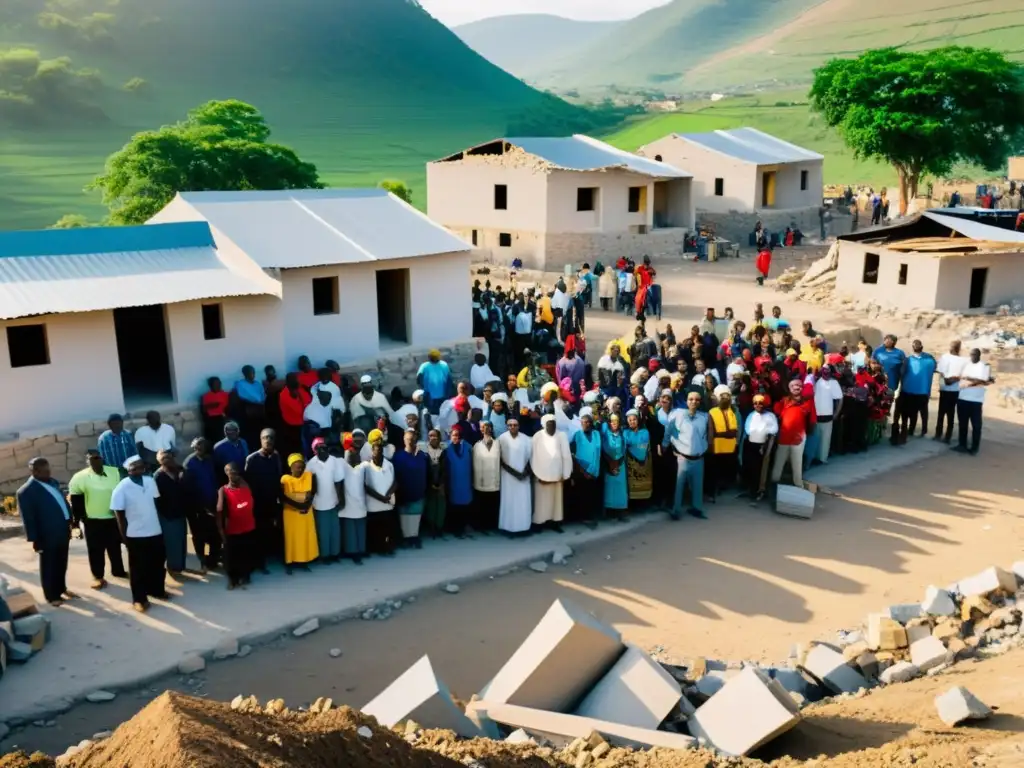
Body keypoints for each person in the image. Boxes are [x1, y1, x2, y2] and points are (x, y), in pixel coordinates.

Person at [111, 456, 168, 613]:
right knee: (138, 569)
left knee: (157, 564)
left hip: (155, 530)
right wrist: (124, 536)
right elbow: (119, 515)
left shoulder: (150, 481)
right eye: (133, 467)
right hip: (135, 534)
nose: (137, 469)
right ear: (128, 470)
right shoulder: (121, 488)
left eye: (140, 466)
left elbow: (156, 503)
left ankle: (157, 590)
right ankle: (139, 599)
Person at [18, 457, 77, 606]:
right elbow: (29, 519)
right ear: (35, 472)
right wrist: (35, 540)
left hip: (62, 530)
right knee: (49, 566)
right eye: (45, 471)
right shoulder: (26, 491)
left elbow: (62, 502)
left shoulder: (53, 483)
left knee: (61, 563)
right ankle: (51, 596)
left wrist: (70, 521)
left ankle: (61, 588)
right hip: (46, 535)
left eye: (48, 469)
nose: (48, 472)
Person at [69, 449, 125, 589]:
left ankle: (118, 571)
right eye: (91, 459)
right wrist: (79, 520)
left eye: (97, 457)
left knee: (115, 546)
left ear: (102, 459)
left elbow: (123, 493)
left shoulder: (115, 472)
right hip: (92, 520)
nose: (95, 460)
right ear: (87, 461)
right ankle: (98, 576)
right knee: (95, 550)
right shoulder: (79, 477)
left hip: (113, 518)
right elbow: (76, 500)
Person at [661, 391, 708, 520]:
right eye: (691, 399)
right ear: (687, 401)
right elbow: (669, 431)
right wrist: (666, 445)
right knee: (679, 486)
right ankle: (676, 511)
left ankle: (696, 509)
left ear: (700, 402)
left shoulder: (704, 417)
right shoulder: (678, 415)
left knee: (698, 486)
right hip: (682, 458)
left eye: (697, 400)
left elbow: (707, 436)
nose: (694, 402)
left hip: (698, 458)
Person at [244, 429, 282, 573]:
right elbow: (246, 483)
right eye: (265, 438)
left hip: (271, 501)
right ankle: (259, 563)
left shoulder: (276, 457)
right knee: (257, 533)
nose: (268, 440)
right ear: (260, 440)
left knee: (269, 531)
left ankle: (268, 558)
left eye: (271, 438)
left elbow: (278, 478)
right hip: (257, 503)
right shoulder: (252, 459)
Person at [216, 463, 258, 590]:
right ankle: (232, 579)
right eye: (230, 471)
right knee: (231, 556)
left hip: (248, 528)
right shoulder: (223, 490)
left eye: (236, 471)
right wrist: (221, 531)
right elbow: (219, 512)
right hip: (233, 530)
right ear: (226, 473)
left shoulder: (246, 486)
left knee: (246, 553)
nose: (234, 474)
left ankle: (245, 576)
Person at [183, 437, 221, 572]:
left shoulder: (210, 460)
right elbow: (188, 488)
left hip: (211, 503)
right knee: (199, 535)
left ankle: (213, 560)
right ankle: (201, 560)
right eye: (197, 447)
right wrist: (200, 506)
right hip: (197, 508)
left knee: (214, 535)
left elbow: (214, 480)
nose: (199, 449)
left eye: (202, 446)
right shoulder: (189, 463)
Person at [531, 414, 572, 532]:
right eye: (549, 424)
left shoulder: (561, 435)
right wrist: (538, 474)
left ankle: (555, 523)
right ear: (544, 425)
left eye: (553, 424)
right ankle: (539, 523)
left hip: (557, 475)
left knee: (556, 501)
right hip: (541, 475)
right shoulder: (537, 436)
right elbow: (533, 456)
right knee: (541, 501)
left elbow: (566, 455)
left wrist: (565, 473)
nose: (551, 427)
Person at [772, 379, 816, 488]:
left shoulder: (808, 401)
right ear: (789, 389)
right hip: (784, 437)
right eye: (793, 386)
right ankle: (773, 484)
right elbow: (776, 411)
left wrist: (808, 432)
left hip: (799, 438)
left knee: (797, 463)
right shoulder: (784, 401)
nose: (796, 387)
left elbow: (812, 420)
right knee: (779, 462)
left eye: (799, 385)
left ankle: (798, 485)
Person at [307, 437, 344, 563]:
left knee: (335, 530)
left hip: (333, 501)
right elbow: (308, 484)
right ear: (314, 450)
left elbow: (338, 481)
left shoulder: (334, 461)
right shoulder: (310, 464)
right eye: (319, 448)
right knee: (323, 531)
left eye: (324, 447)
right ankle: (325, 555)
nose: (322, 449)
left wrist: (340, 498)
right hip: (319, 503)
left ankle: (335, 554)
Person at [280, 453, 318, 573]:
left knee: (304, 538)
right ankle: (289, 563)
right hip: (290, 515)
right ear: (291, 467)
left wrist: (304, 502)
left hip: (305, 513)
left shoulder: (308, 476)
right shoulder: (285, 479)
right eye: (297, 466)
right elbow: (284, 498)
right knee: (291, 539)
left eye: (302, 466)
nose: (300, 469)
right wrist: (301, 504)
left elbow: (309, 495)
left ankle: (303, 561)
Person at [153, 449, 189, 577]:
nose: (167, 460)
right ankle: (173, 568)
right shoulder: (158, 476)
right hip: (167, 515)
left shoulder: (178, 471)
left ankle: (180, 566)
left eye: (169, 457)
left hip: (180, 513)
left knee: (181, 541)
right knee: (171, 542)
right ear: (160, 462)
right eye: (164, 459)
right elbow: (156, 499)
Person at [393, 428, 430, 548]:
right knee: (405, 516)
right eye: (408, 439)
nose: (410, 441)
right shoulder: (398, 456)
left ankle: (414, 537)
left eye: (413, 438)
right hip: (403, 493)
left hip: (418, 492)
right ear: (404, 439)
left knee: (415, 516)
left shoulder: (422, 456)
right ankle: (406, 538)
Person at [953, 348, 992, 455]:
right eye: (971, 354)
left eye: (974, 354)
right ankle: (962, 445)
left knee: (976, 425)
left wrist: (969, 381)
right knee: (962, 424)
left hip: (976, 400)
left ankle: (974, 448)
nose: (972, 356)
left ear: (979, 355)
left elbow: (984, 381)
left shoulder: (984, 366)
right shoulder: (966, 365)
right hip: (963, 398)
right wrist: (973, 380)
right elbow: (961, 378)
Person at [497, 417, 532, 536]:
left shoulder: (526, 439)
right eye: (510, 425)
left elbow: (531, 457)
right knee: (509, 501)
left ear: (519, 426)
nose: (512, 427)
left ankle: (524, 527)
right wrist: (514, 473)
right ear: (507, 426)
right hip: (508, 476)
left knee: (523, 501)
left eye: (515, 425)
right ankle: (508, 528)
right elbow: (499, 459)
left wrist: (524, 473)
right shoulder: (502, 438)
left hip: (523, 476)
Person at [363, 441, 399, 555]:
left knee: (387, 528)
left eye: (380, 450)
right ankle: (376, 548)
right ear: (372, 451)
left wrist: (388, 494)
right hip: (373, 505)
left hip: (387, 503)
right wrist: (380, 498)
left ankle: (387, 547)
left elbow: (395, 482)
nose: (378, 452)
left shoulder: (389, 465)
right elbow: (366, 487)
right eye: (375, 450)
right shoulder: (367, 466)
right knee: (375, 529)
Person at [898, 340, 936, 441]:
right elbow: (935, 368)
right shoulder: (930, 360)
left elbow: (901, 372)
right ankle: (922, 430)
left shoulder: (908, 360)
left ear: (913, 347)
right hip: (922, 390)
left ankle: (911, 430)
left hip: (910, 390)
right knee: (921, 412)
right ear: (922, 347)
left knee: (912, 411)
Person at [570, 407, 602, 527]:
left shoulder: (596, 434)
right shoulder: (577, 435)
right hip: (582, 471)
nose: (587, 424)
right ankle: (583, 517)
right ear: (580, 423)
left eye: (589, 422)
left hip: (594, 470)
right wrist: (583, 471)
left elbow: (598, 451)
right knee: (583, 495)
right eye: (584, 422)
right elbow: (573, 455)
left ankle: (590, 515)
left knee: (592, 494)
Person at [741, 395, 778, 500]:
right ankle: (751, 490)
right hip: (750, 446)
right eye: (755, 403)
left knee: (762, 470)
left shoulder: (770, 416)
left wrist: (765, 447)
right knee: (751, 469)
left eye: (760, 403)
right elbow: (747, 431)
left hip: (764, 447)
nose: (758, 405)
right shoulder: (751, 415)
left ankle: (760, 491)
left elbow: (773, 431)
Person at [707, 386, 739, 501]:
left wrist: (722, 434)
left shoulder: (733, 411)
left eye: (727, 397)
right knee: (714, 471)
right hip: (716, 447)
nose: (725, 399)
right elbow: (711, 431)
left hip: (730, 448)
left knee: (724, 470)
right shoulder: (712, 412)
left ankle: (720, 488)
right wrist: (711, 444)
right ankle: (712, 493)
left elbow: (734, 432)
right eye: (722, 397)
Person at [443, 425, 473, 537]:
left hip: (465, 481)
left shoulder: (468, 447)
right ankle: (453, 528)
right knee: (453, 505)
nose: (456, 437)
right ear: (450, 436)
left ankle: (463, 526)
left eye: (458, 435)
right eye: (454, 435)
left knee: (465, 505)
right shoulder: (446, 449)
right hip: (453, 481)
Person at [934, 340, 966, 443]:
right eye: (952, 346)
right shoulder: (945, 357)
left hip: (955, 390)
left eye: (955, 346)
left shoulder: (962, 360)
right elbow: (941, 372)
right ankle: (938, 434)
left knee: (950, 414)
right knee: (941, 413)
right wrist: (947, 381)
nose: (953, 348)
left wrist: (953, 380)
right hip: (944, 389)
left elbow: (962, 375)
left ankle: (948, 436)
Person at [472, 421, 501, 533]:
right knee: (482, 504)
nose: (486, 429)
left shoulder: (498, 443)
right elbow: (474, 464)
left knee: (493, 504)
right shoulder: (477, 445)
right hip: (481, 480)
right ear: (481, 429)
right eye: (484, 427)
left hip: (494, 479)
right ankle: (482, 526)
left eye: (489, 426)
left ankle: (492, 525)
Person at [810, 365, 843, 465]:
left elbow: (840, 399)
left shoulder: (833, 382)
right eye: (824, 371)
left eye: (828, 371)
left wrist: (837, 413)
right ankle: (814, 457)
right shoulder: (816, 381)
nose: (826, 373)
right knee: (815, 438)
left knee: (825, 439)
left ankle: (822, 458)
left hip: (828, 416)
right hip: (815, 415)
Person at [341, 445, 368, 563]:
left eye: (355, 455)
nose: (352, 457)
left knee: (360, 531)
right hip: (347, 506)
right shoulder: (343, 467)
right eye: (349, 455)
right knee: (350, 532)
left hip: (360, 505)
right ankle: (352, 553)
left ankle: (360, 551)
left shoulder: (362, 467)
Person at [623, 409, 653, 508]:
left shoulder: (644, 432)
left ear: (638, 420)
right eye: (630, 420)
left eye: (634, 419)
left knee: (643, 483)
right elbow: (625, 445)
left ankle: (643, 504)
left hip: (643, 461)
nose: (632, 422)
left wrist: (635, 449)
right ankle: (633, 505)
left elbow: (644, 445)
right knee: (632, 484)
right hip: (630, 462)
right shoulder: (625, 432)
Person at [278, 374, 312, 459]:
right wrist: (303, 402)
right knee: (302, 444)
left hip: (305, 419)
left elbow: (309, 400)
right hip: (294, 425)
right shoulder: (284, 395)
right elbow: (300, 411)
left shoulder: (299, 387)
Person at [234, 365, 267, 449]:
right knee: (252, 435)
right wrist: (256, 403)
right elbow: (242, 396)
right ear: (245, 374)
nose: (252, 375)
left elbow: (262, 395)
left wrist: (262, 402)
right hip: (249, 410)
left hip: (261, 409)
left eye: (253, 372)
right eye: (250, 373)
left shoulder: (257, 384)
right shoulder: (240, 384)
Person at [422, 429, 447, 538]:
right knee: (431, 507)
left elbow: (446, 469)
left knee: (441, 507)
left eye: (435, 436)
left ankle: (439, 528)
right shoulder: (424, 452)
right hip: (429, 484)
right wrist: (430, 483)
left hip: (441, 484)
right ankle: (431, 528)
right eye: (430, 436)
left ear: (439, 437)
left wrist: (442, 483)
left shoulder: (444, 451)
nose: (432, 438)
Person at [417, 349, 452, 413]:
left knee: (431, 413)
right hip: (442, 396)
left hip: (429, 396)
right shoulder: (444, 365)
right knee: (441, 413)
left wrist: (422, 388)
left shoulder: (424, 366)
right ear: (439, 357)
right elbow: (449, 380)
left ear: (429, 357)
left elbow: (419, 379)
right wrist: (448, 394)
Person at [556, 336, 586, 401]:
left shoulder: (562, 362)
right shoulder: (580, 360)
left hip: (568, 392)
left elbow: (561, 379)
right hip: (579, 389)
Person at [201, 377, 230, 443]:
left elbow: (228, 407)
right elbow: (204, 410)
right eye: (216, 384)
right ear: (211, 385)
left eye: (219, 383)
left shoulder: (225, 394)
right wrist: (214, 405)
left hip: (223, 417)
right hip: (212, 419)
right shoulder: (207, 396)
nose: (218, 385)